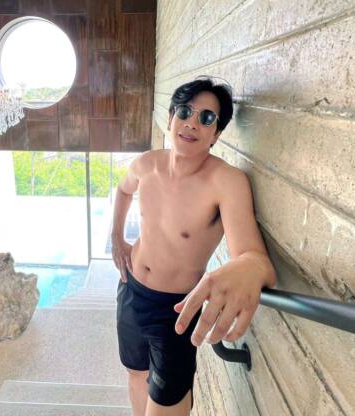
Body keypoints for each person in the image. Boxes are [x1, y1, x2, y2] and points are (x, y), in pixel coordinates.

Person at [111, 77, 277, 416]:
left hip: (177, 311)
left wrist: (249, 267)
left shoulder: (226, 182)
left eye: (206, 118)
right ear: (171, 117)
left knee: (168, 400)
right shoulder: (146, 164)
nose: (192, 122)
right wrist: (116, 236)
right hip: (131, 289)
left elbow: (254, 257)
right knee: (136, 372)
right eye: (185, 112)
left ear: (216, 134)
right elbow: (123, 190)